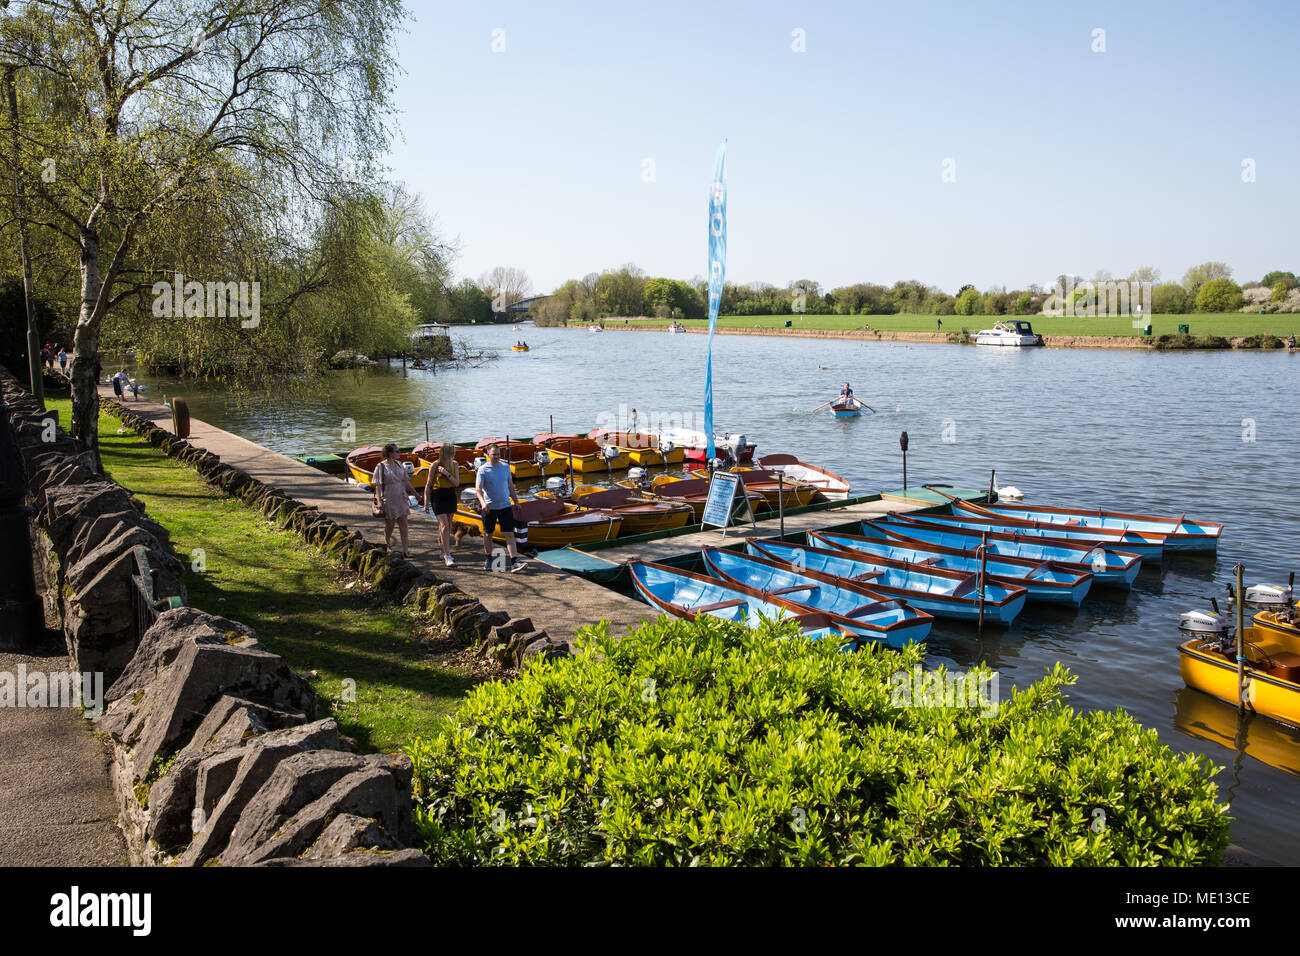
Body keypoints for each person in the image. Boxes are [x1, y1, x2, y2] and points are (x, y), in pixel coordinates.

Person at [475, 442, 526, 572]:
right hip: (489, 508)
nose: (497, 456)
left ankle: (515, 561)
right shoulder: (483, 470)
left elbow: (510, 486)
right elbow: (478, 490)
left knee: (509, 533)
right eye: (494, 454)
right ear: (487, 454)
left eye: (498, 454)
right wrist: (483, 503)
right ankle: (488, 559)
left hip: (505, 506)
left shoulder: (505, 467)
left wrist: (516, 502)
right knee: (488, 534)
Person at [371, 443, 417, 557]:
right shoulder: (380, 467)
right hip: (389, 497)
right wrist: (379, 500)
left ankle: (405, 551)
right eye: (397, 451)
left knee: (404, 524)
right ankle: (387, 543)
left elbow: (406, 481)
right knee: (390, 524)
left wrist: (415, 493)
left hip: (401, 496)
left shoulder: (399, 464)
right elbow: (378, 485)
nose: (399, 453)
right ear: (390, 453)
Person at [423, 442, 460, 566]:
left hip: (450, 495)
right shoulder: (435, 464)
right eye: (451, 452)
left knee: (448, 525)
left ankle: (443, 550)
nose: (453, 454)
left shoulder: (455, 465)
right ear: (445, 453)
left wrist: (446, 473)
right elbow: (428, 485)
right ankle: (448, 556)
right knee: (444, 525)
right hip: (438, 495)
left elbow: (456, 483)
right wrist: (426, 502)